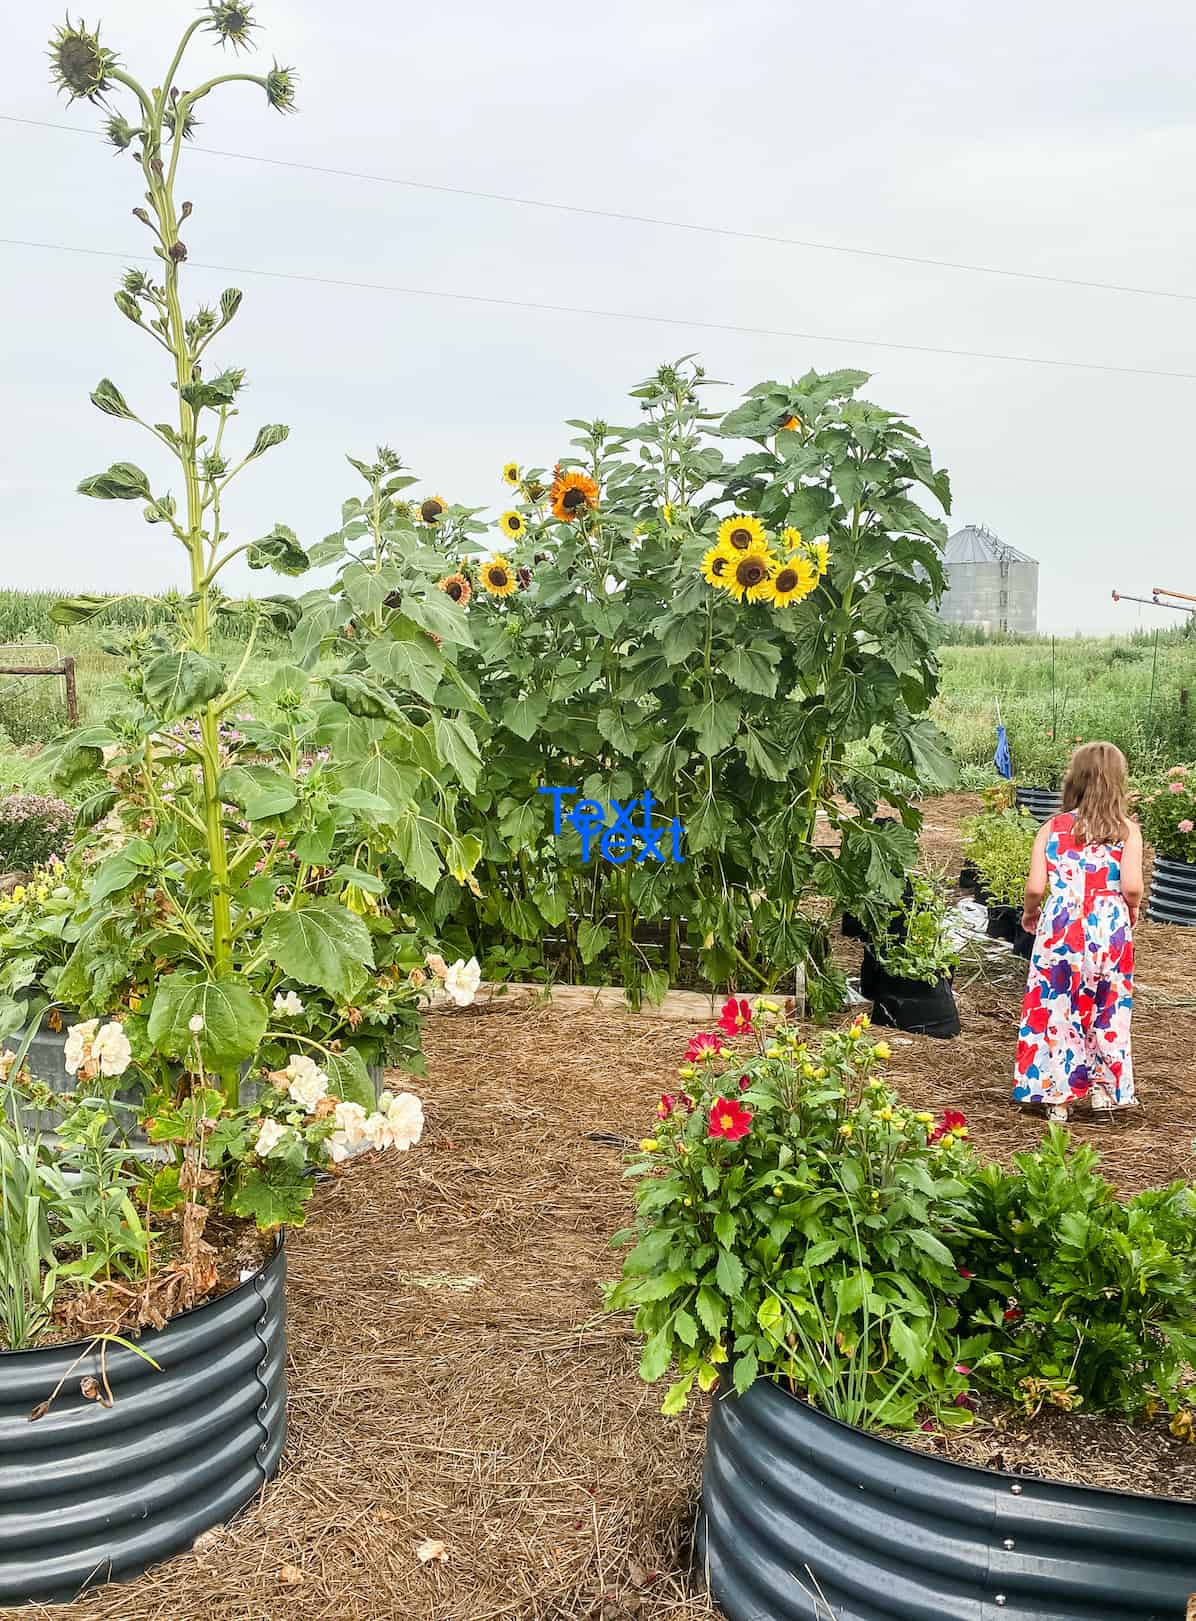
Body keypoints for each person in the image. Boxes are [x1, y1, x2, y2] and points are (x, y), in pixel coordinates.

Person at [1012, 742, 1142, 1123]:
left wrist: (1030, 913)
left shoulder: (1053, 827)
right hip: (1109, 924)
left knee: (1057, 1006)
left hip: (1062, 925)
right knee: (1108, 1006)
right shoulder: (1127, 830)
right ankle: (1103, 1095)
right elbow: (1132, 885)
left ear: (1075, 779)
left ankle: (1058, 1099)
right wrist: (1130, 908)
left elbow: (1036, 886)